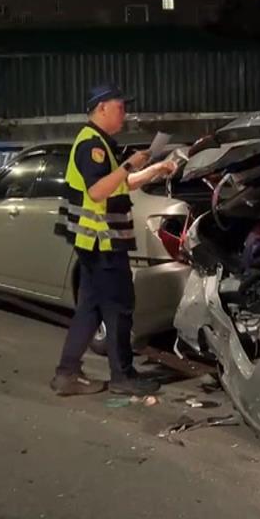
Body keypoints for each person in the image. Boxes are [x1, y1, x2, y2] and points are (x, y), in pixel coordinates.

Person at [50, 85, 177, 396]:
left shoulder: (99, 143)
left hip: (96, 243)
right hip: (103, 243)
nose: (125, 114)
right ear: (102, 108)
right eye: (120, 107)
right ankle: (122, 376)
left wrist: (152, 170)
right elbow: (97, 191)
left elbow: (121, 184)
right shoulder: (92, 145)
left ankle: (67, 373)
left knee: (90, 308)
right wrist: (129, 164)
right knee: (119, 307)